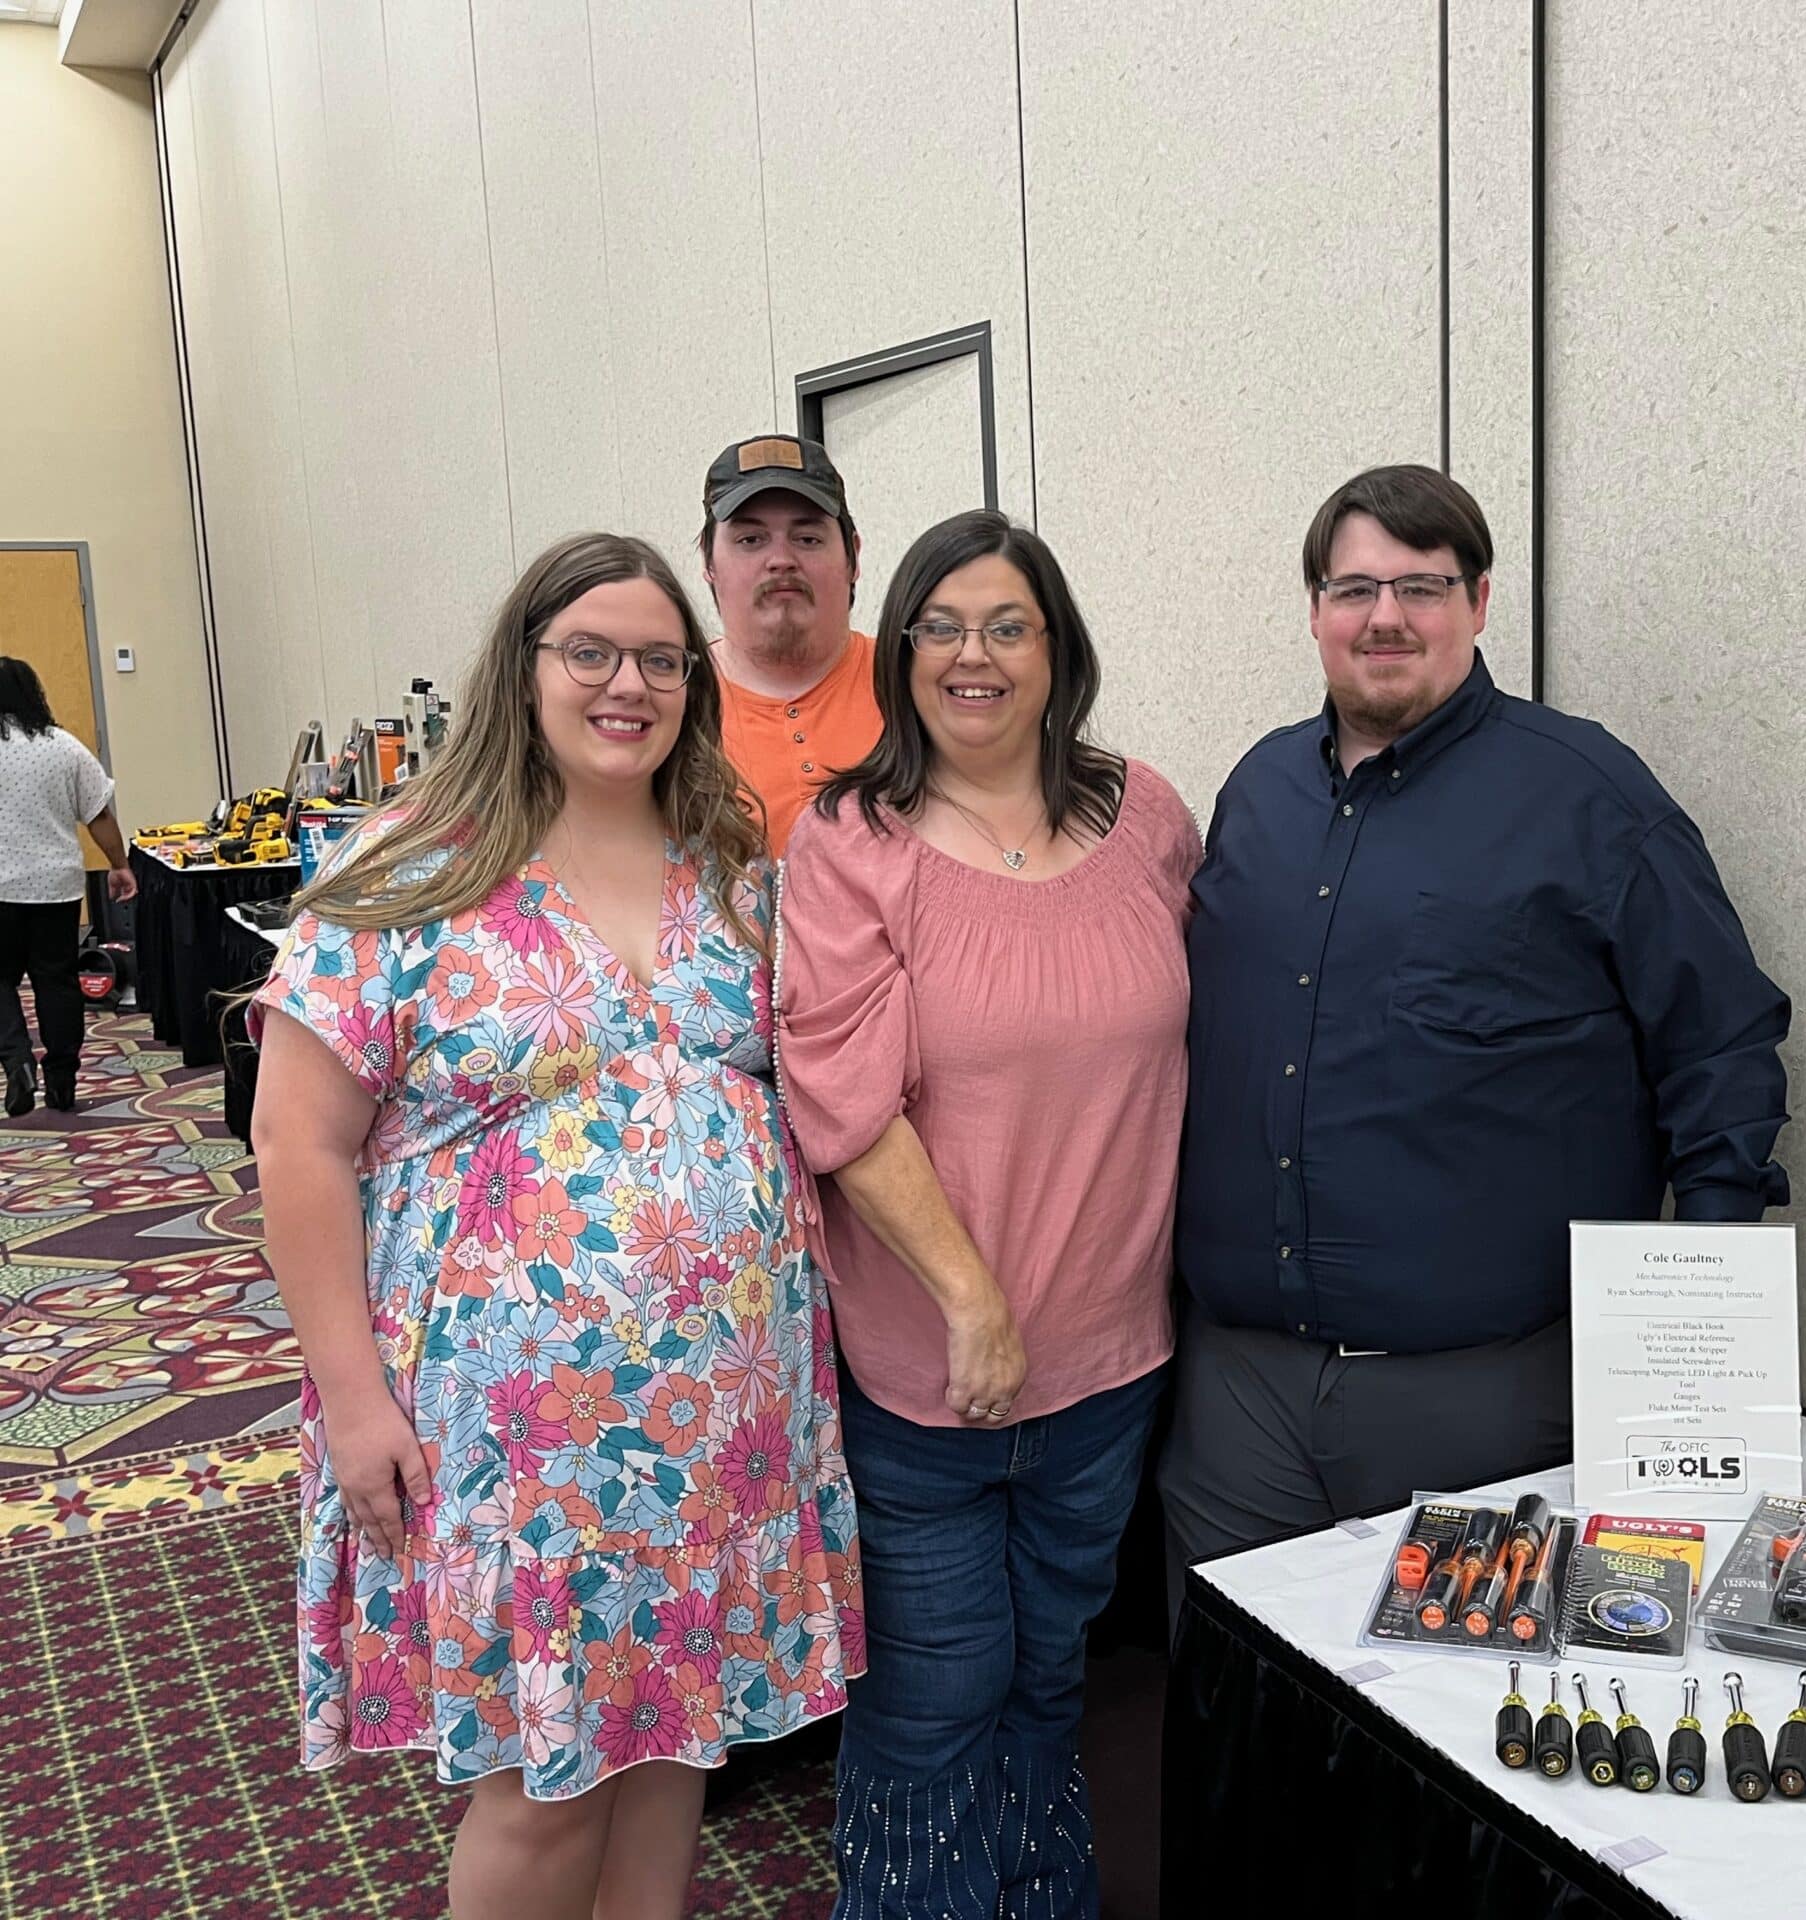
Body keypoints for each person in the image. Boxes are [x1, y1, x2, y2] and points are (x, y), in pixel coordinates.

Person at [250, 533, 861, 1920]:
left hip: (718, 1418)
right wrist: (352, 1400)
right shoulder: (413, 870)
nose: (627, 683)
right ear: (523, 668)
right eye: (590, 652)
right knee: (542, 1786)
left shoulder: (726, 864)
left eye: (658, 658)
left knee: (669, 1753)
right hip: (516, 1432)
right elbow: (296, 1143)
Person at [1161, 464, 1793, 1602]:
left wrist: (1692, 1327)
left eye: (1422, 585)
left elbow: (1721, 1047)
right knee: (1235, 1732)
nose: (1386, 617)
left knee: (1453, 1742)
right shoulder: (1257, 792)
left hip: (1482, 1407)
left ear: (1480, 601)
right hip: (1239, 1401)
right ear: (1314, 609)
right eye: (1354, 588)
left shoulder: (1588, 796)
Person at [778, 509, 1197, 1920]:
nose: (974, 653)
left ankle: (1040, 1902)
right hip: (930, 1373)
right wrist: (974, 1303)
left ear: (1056, 648)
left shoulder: (1147, 820)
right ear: (899, 651)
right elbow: (840, 1102)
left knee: (1051, 1674)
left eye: (1006, 623)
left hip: (1112, 1365)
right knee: (938, 1689)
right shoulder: (853, 838)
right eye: (941, 624)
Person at [699, 434, 884, 852]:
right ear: (708, 563)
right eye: (751, 540)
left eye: (807, 539)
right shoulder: (671, 704)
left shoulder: (912, 685)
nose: (781, 559)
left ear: (853, 557)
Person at [0, 656, 136, 1116]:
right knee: (56, 982)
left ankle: (17, 1061)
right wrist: (119, 865)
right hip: (56, 889)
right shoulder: (63, 747)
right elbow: (98, 813)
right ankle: (62, 1078)